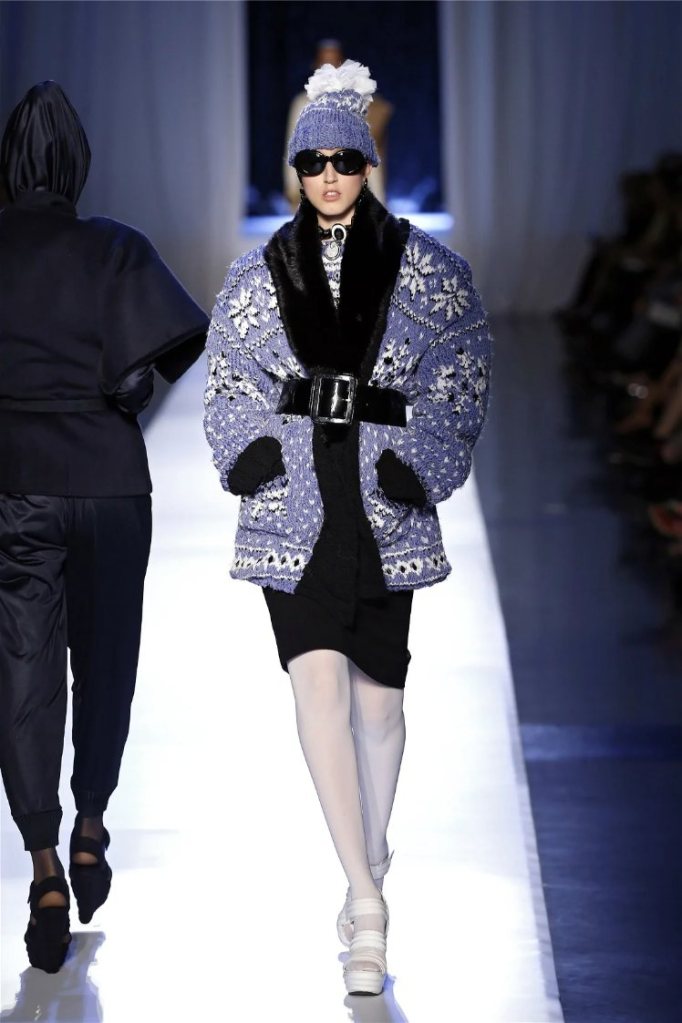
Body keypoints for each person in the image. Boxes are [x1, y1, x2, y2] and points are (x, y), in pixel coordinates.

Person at [204, 60, 491, 995]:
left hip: (380, 495)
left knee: (380, 704)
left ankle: (368, 853)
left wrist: (426, 463)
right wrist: (247, 450)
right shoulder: (258, 273)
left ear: (367, 166)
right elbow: (228, 374)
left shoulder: (429, 267)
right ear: (296, 171)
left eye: (344, 161)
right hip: (294, 496)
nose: (328, 177)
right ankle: (366, 901)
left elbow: (463, 370)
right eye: (312, 163)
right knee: (317, 682)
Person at [0, 82, 209, 973]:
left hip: (15, 483)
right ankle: (91, 819)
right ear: (78, 164)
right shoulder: (116, 247)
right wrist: (122, 384)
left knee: (23, 667)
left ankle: (45, 863)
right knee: (106, 659)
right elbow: (174, 347)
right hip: (112, 482)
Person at [283, 40, 392, 208]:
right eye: (324, 64)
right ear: (315, 66)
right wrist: (292, 190)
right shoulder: (302, 104)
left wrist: (378, 200)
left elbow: (370, 154)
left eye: (334, 64)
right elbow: (292, 149)